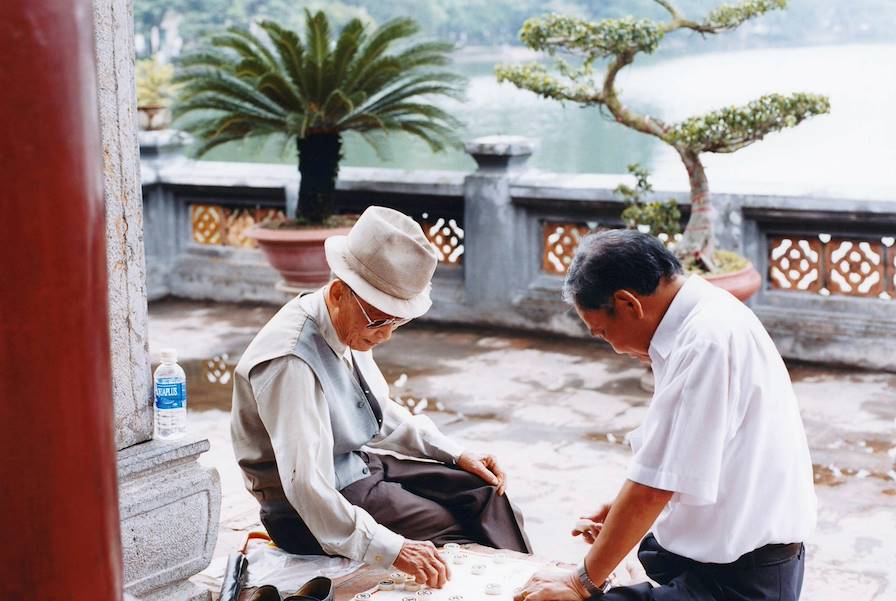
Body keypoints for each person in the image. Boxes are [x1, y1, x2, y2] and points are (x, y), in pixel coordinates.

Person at [231, 206, 531, 589]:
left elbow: (377, 411)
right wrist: (395, 549)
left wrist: (455, 453)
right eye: (379, 320)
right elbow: (307, 487)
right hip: (308, 511)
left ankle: (533, 584)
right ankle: (513, 589)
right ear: (339, 292)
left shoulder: (349, 321)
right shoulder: (291, 361)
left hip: (357, 466)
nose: (386, 334)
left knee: (485, 493)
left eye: (397, 321)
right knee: (459, 529)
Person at [515, 230, 814, 601]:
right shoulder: (706, 315)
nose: (615, 349)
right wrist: (622, 517)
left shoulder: (707, 340)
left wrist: (582, 581)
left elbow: (652, 489)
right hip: (722, 560)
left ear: (628, 304)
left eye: (604, 332)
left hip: (739, 583)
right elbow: (672, 466)